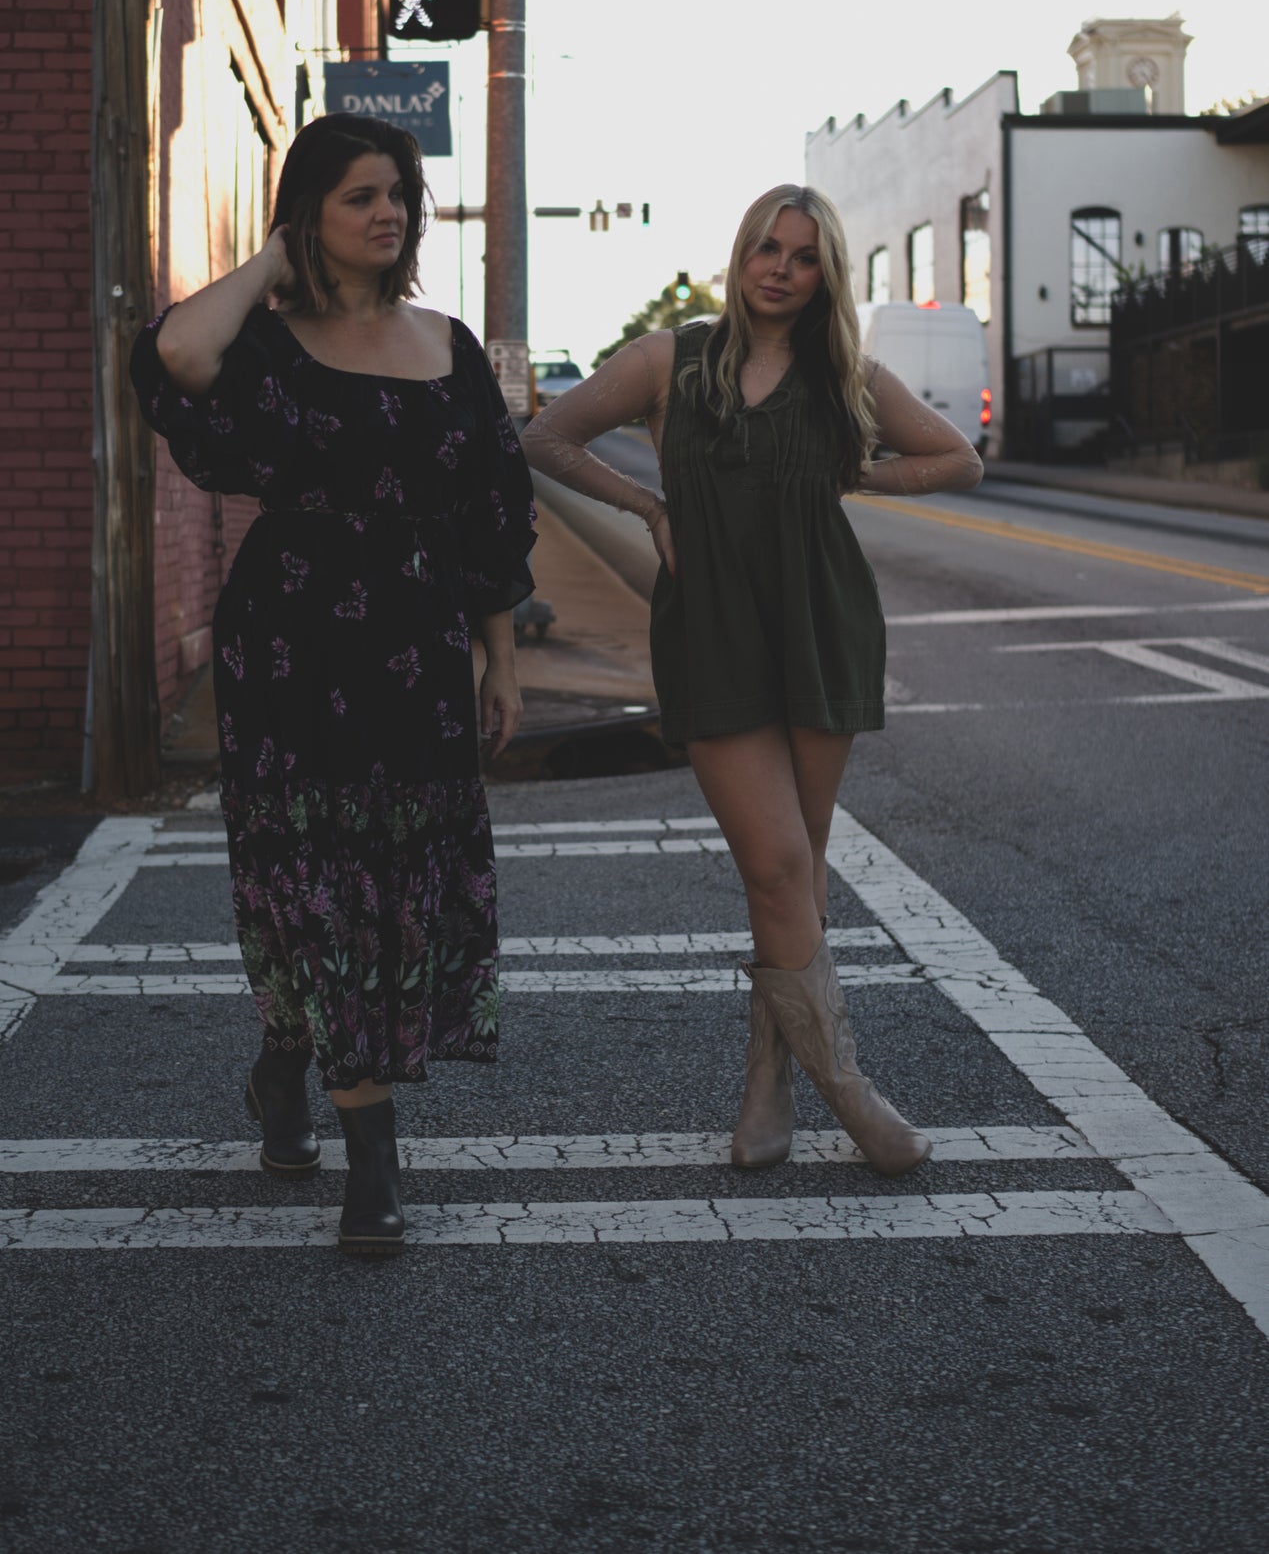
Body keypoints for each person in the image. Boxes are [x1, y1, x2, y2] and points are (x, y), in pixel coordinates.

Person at [130, 114, 536, 1251]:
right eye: (358, 195)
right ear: (309, 211)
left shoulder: (448, 347)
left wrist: (499, 656)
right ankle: (374, 1170)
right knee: (314, 878)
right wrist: (272, 254)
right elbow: (173, 355)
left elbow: (491, 514)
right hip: (292, 643)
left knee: (389, 886)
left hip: (415, 647)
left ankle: (283, 1063)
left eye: (398, 193)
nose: (388, 212)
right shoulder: (263, 342)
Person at [521, 184, 982, 1176]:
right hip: (713, 631)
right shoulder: (670, 357)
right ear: (738, 253)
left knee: (797, 874)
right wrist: (647, 507)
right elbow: (543, 437)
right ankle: (851, 1095)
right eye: (764, 247)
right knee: (775, 866)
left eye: (802, 255)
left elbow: (958, 459)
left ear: (826, 274)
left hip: (822, 624)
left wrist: (854, 471)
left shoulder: (843, 372)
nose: (778, 266)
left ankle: (765, 1087)